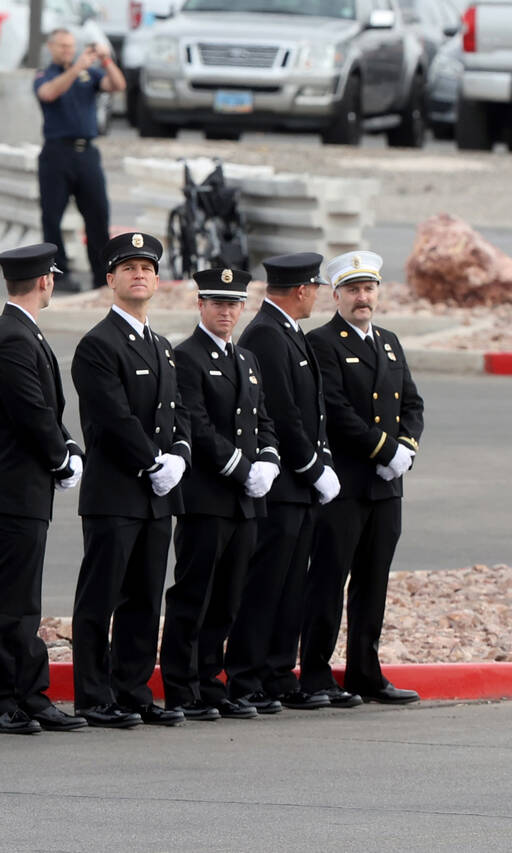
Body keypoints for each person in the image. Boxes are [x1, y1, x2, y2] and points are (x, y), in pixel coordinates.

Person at [69, 232, 190, 728]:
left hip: (157, 496)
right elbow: (114, 417)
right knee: (101, 598)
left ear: (157, 280)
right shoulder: (98, 344)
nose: (139, 274)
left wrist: (180, 454)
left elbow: (178, 410)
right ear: (110, 280)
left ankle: (134, 690)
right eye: (129, 267)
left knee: (143, 597)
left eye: (147, 268)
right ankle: (95, 698)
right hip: (117, 493)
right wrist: (153, 462)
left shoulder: (160, 345)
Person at [0, 242, 87, 735]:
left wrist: (66, 448)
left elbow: (44, 412)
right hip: (17, 484)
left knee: (24, 597)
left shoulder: (17, 332)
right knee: (6, 596)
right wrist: (62, 457)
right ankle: (0, 700)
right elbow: (33, 413)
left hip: (27, 485)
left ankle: (28, 693)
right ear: (46, 281)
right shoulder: (13, 337)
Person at [302, 251, 425, 705]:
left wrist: (406, 450)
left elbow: (412, 404)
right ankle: (314, 673)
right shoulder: (323, 343)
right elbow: (335, 410)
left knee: (374, 581)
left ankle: (364, 673)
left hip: (387, 486)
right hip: (346, 485)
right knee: (329, 581)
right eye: (352, 290)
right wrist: (385, 449)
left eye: (368, 288)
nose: (362, 298)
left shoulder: (389, 342)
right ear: (335, 295)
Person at [158, 267, 280, 722]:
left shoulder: (245, 359)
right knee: (195, 594)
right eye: (217, 303)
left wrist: (269, 460)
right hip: (207, 497)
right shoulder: (185, 356)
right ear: (200, 305)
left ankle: (211, 683)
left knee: (228, 597)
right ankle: (181, 687)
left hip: (245, 501)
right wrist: (243, 468)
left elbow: (262, 418)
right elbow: (198, 426)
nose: (226, 311)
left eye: (233, 304)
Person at [224, 252, 341, 715]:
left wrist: (321, 460)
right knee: (265, 585)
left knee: (291, 585)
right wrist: (313, 467)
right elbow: (284, 416)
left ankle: (275, 672)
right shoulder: (268, 336)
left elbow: (314, 411)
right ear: (301, 290)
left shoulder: (288, 332)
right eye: (315, 288)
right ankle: (247, 675)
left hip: (300, 488)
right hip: (283, 486)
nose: (316, 296)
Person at [34, 28, 126, 292]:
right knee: (52, 216)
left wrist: (106, 60)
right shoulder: (46, 74)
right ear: (51, 47)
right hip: (56, 153)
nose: (67, 51)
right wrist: (76, 68)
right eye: (62, 46)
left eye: (70, 46)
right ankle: (58, 274)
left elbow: (117, 85)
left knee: (98, 214)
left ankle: (102, 275)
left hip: (86, 152)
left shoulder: (89, 74)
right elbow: (48, 93)